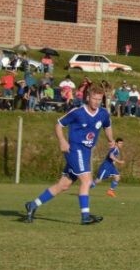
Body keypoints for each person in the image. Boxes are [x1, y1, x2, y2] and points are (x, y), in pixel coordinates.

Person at [23, 87, 116, 225]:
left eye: (99, 99)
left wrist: (110, 140)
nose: (97, 102)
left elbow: (107, 127)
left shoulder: (103, 114)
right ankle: (85, 216)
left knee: (63, 185)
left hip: (86, 152)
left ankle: (33, 205)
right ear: (88, 98)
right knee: (86, 181)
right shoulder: (77, 112)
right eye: (94, 98)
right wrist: (62, 141)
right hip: (74, 149)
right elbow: (58, 125)